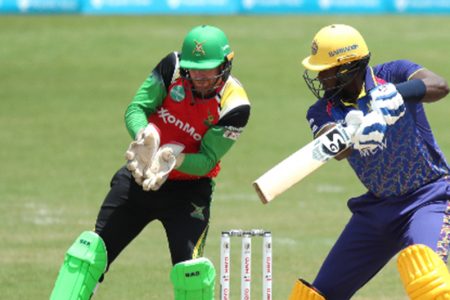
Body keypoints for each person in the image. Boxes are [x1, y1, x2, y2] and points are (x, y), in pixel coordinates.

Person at [50, 25, 251, 300]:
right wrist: (145, 136)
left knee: (191, 274)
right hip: (140, 177)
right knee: (89, 255)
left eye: (209, 71)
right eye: (195, 70)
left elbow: (206, 161)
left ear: (226, 66)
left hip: (189, 192)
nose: (201, 78)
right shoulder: (174, 67)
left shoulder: (235, 106)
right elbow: (137, 109)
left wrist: (174, 160)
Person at [288, 24, 450, 300]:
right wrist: (354, 133)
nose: (320, 77)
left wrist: (397, 94)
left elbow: (440, 85)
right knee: (316, 296)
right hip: (378, 209)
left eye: (325, 70)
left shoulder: (395, 73)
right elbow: (334, 147)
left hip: (429, 198)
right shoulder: (322, 110)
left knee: (430, 283)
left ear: (348, 67)